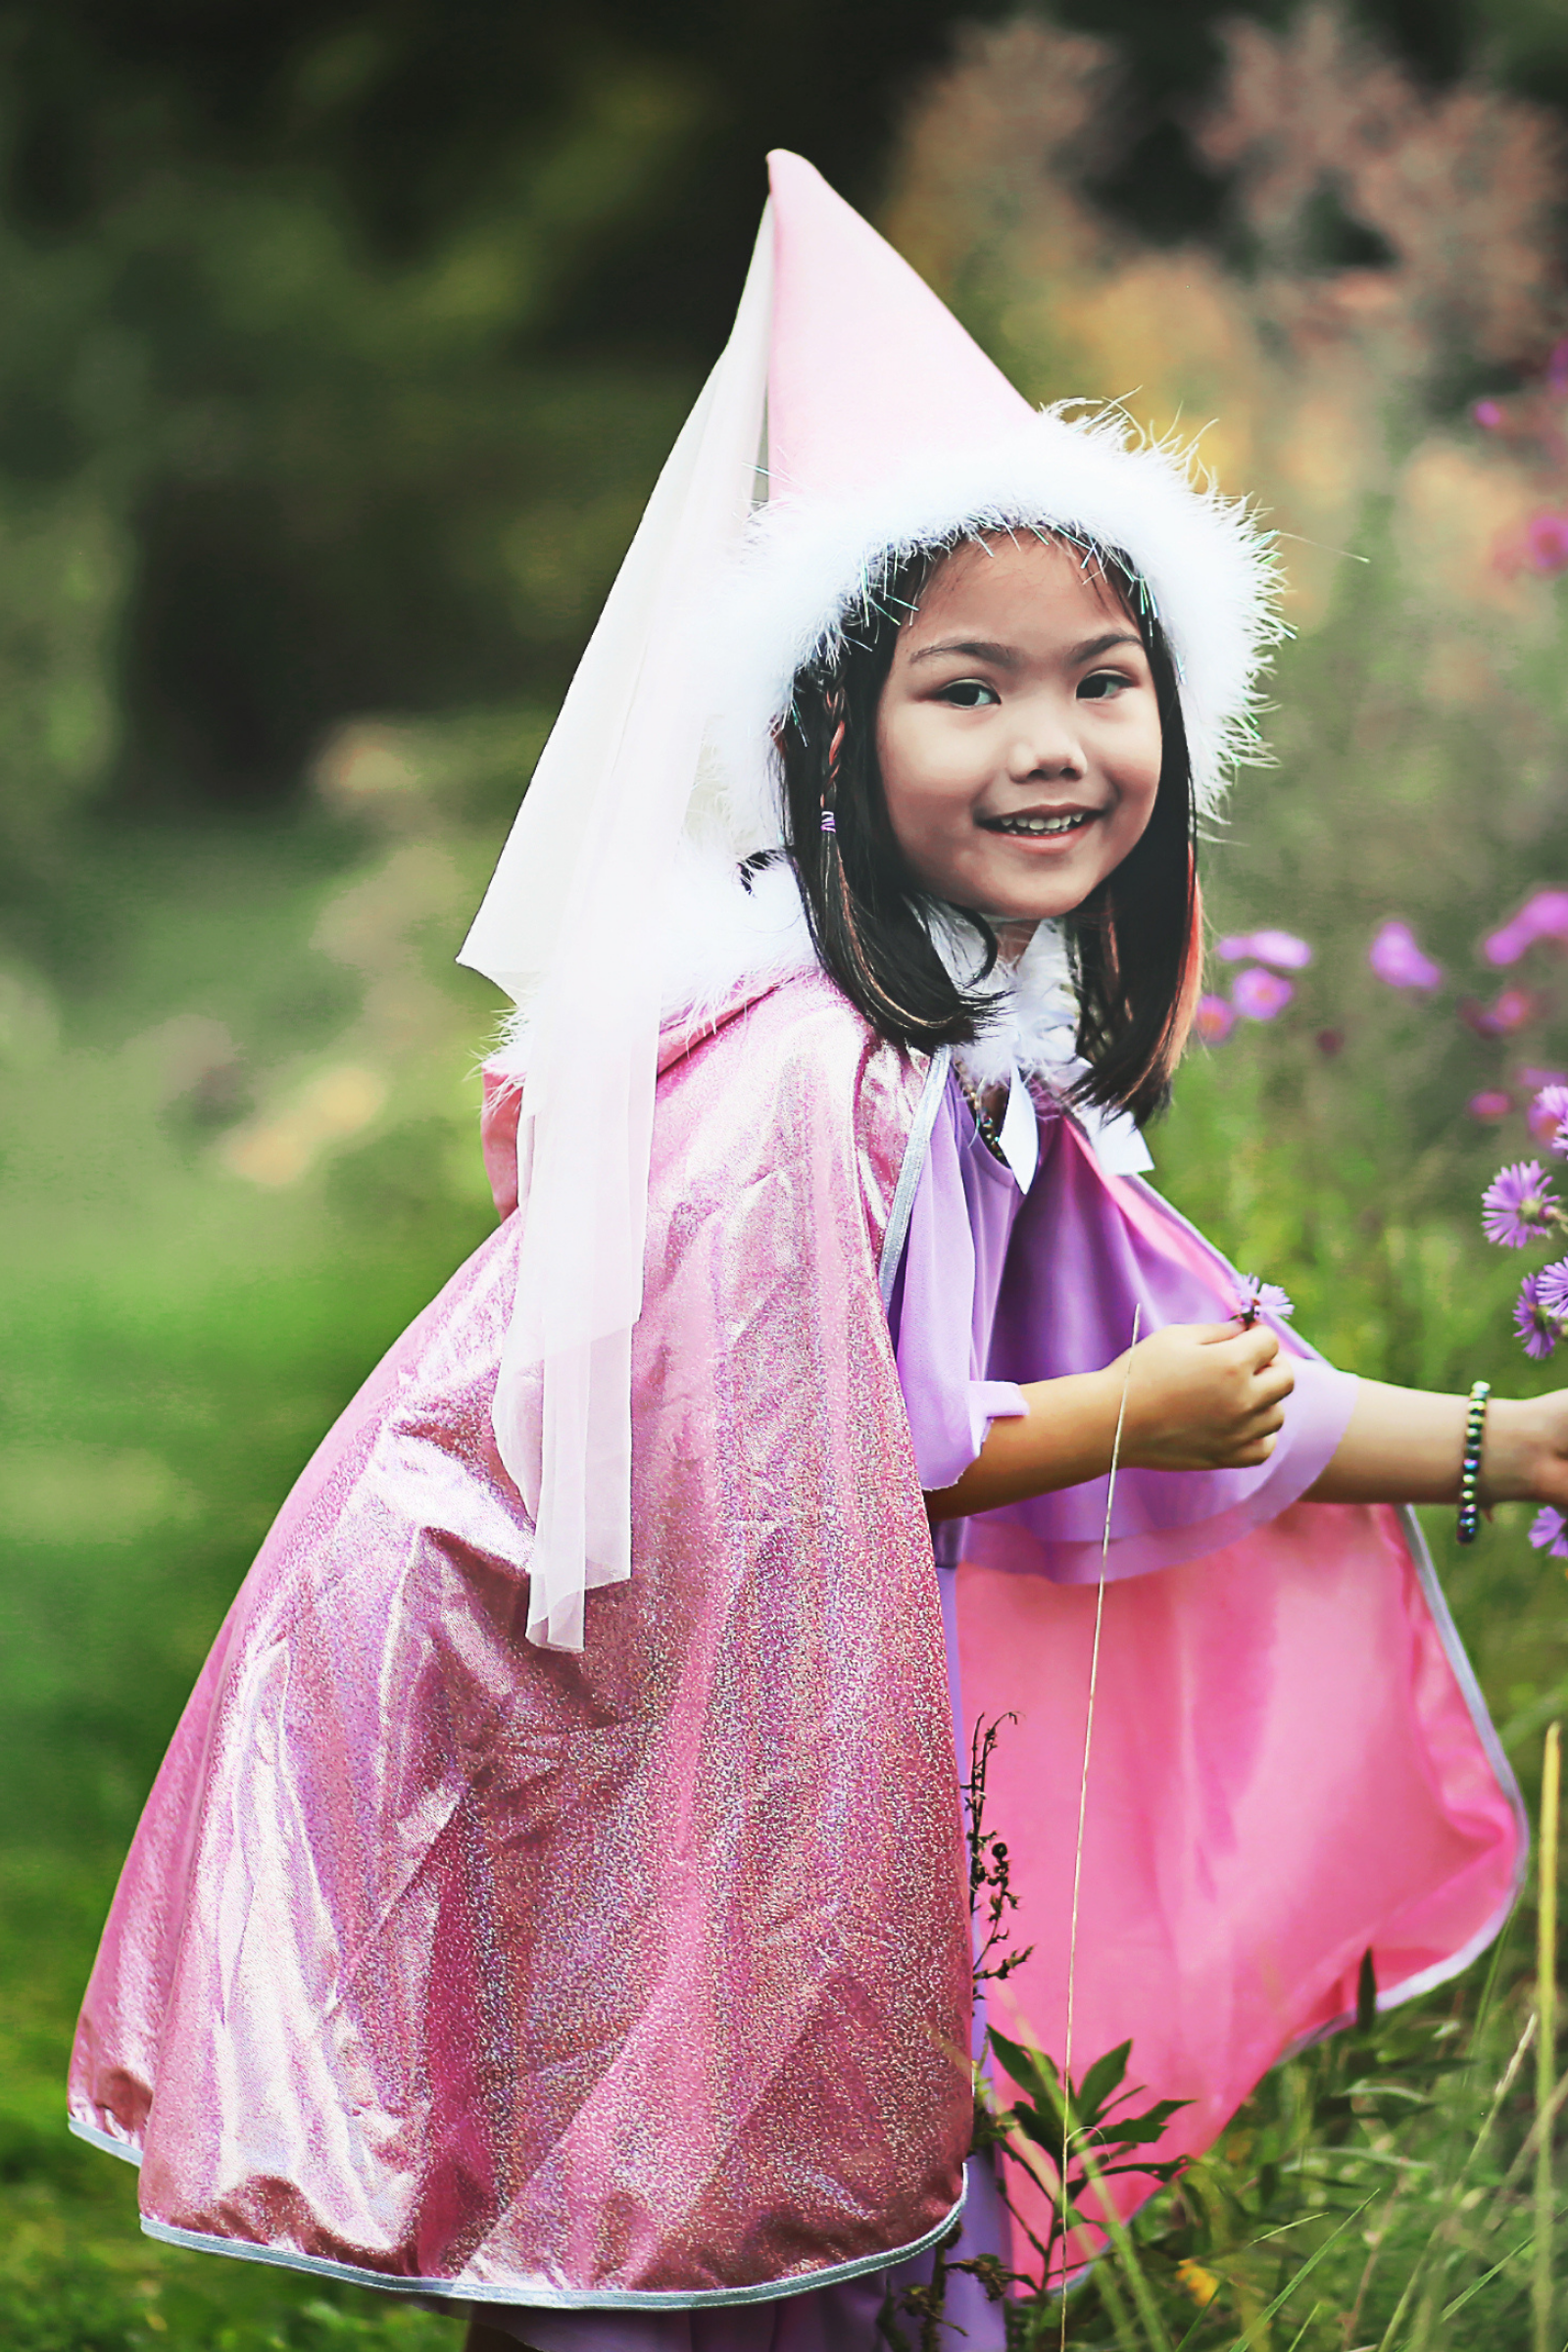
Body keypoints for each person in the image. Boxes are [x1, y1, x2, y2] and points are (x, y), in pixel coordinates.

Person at [70, 152, 1544, 2352]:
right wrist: (1110, 1425)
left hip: (775, 1729)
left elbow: (1185, 1382)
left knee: (775, 2150)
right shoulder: (811, 1081)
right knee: (693, 2187)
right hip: (608, 1687)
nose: (1051, 745)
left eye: (1101, 680)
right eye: (966, 688)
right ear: (828, 736)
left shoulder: (972, 1056)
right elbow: (798, 1456)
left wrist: (1493, 1446)